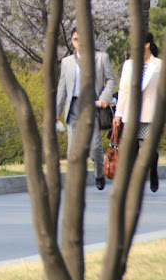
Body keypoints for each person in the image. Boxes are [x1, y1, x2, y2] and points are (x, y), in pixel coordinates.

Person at [56, 28, 116, 190]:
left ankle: (98, 173)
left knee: (95, 146)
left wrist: (104, 97)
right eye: (75, 39)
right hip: (74, 106)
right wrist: (56, 111)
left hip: (93, 106)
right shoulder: (67, 62)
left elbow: (111, 80)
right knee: (72, 148)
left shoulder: (101, 58)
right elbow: (62, 87)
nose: (78, 42)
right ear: (72, 41)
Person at [113, 32, 162, 192]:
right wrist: (118, 114)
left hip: (150, 113)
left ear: (147, 44)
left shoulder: (159, 65)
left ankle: (153, 171)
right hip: (131, 114)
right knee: (131, 150)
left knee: (150, 151)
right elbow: (123, 90)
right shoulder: (128, 65)